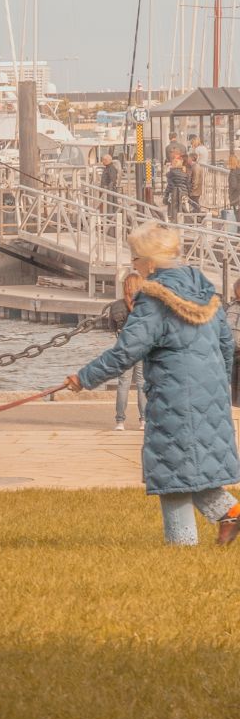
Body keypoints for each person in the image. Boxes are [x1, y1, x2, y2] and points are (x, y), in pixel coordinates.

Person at [67, 223, 240, 546]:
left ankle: (182, 547)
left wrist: (84, 377)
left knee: (172, 471)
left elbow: (126, 351)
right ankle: (231, 513)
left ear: (148, 262)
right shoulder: (207, 293)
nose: (134, 266)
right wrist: (218, 388)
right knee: (190, 467)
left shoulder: (153, 300)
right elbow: (226, 346)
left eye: (134, 259)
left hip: (175, 396)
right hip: (210, 393)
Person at [102, 270, 146, 432]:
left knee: (123, 384)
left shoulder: (116, 306)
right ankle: (144, 420)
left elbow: (111, 327)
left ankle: (120, 422)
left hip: (124, 347)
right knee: (142, 383)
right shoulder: (145, 306)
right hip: (142, 347)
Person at [163, 151, 190, 221]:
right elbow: (188, 185)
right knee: (185, 206)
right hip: (183, 193)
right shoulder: (185, 174)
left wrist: (166, 195)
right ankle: (187, 220)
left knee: (171, 207)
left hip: (173, 194)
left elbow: (169, 186)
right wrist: (187, 193)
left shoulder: (171, 174)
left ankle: (171, 219)